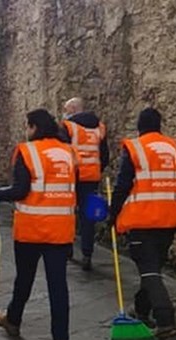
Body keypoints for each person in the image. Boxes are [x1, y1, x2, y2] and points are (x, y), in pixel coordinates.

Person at [0, 109, 77, 340]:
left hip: (31, 229)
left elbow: (20, 190)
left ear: (34, 127)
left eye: (28, 126)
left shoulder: (28, 152)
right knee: (58, 286)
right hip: (61, 230)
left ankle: (13, 320)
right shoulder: (69, 153)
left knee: (24, 278)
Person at [107, 108, 176, 339]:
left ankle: (165, 319)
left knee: (148, 270)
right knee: (153, 268)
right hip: (170, 218)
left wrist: (112, 214)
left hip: (142, 219)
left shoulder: (136, 148)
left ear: (139, 127)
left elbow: (122, 185)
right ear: (160, 125)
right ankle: (141, 309)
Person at [60, 97, 109, 271]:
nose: (64, 112)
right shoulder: (99, 127)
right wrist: (96, 169)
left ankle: (68, 250)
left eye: (66, 109)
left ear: (73, 109)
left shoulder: (68, 126)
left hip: (72, 176)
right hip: (92, 177)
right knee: (88, 216)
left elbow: (63, 152)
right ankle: (87, 254)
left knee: (68, 212)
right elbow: (105, 156)